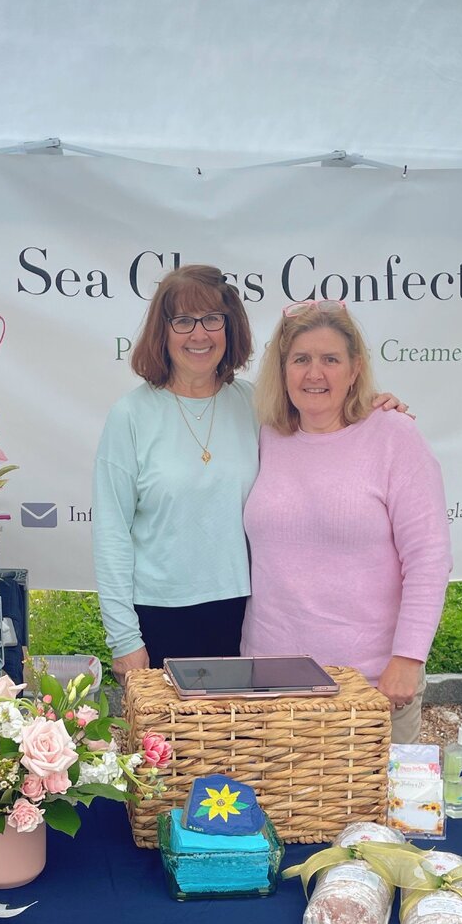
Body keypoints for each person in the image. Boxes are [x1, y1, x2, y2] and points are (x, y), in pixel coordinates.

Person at [93, 268, 409, 678]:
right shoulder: (130, 416)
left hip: (246, 616)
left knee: (242, 723)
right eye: (183, 321)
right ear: (162, 332)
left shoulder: (255, 405)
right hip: (158, 617)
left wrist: (372, 407)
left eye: (212, 319)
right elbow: (111, 534)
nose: (199, 334)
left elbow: (325, 411)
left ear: (230, 328)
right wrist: (124, 639)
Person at [240, 301, 451, 742]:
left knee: (374, 792)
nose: (314, 374)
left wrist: (408, 658)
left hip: (370, 685)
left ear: (355, 369)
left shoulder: (394, 435)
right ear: (283, 370)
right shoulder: (264, 434)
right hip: (271, 682)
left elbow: (428, 558)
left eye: (330, 360)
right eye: (301, 359)